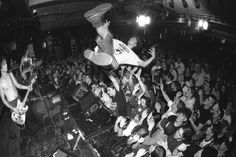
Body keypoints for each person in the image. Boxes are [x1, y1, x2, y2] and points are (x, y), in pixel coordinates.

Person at [83, 3, 156, 70]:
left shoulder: (132, 55)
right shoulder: (120, 42)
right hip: (103, 50)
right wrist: (105, 28)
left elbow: (143, 64)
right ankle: (95, 19)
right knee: (109, 37)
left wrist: (153, 57)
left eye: (133, 39)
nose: (131, 38)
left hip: (110, 63)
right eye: (132, 37)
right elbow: (104, 39)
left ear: (135, 44)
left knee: (115, 64)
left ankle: (101, 58)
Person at [0, 57, 33, 157]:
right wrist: (12, 108)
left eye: (6, 64)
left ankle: (29, 136)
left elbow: (18, 85)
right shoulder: (0, 81)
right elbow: (3, 99)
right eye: (4, 64)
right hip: (13, 104)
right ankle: (20, 147)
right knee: (19, 123)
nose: (6, 66)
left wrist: (27, 87)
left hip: (18, 98)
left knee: (26, 117)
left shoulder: (10, 74)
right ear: (0, 66)